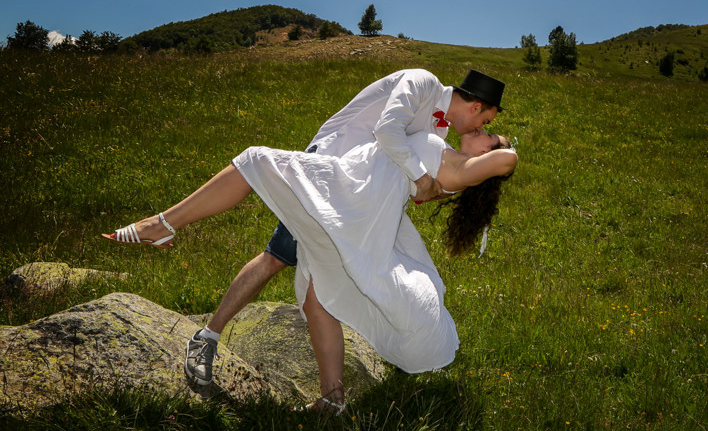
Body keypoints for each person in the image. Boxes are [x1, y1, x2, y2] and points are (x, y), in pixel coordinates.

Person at [104, 68, 505, 389]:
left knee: (309, 283)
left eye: (486, 130)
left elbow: (410, 172)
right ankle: (203, 324)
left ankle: (329, 397)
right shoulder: (420, 81)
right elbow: (388, 132)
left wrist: (422, 186)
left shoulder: (439, 133)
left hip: (356, 199)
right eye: (485, 121)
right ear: (476, 107)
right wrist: (420, 179)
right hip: (329, 173)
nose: (477, 130)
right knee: (278, 256)